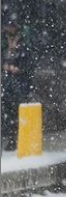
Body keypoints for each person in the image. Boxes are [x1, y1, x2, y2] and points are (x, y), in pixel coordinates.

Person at [2, 19, 33, 151]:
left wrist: (18, 69)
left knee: (17, 110)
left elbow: (28, 64)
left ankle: (16, 139)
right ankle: (10, 137)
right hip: (7, 81)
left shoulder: (24, 43)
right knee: (8, 110)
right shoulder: (4, 42)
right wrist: (4, 66)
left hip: (20, 82)